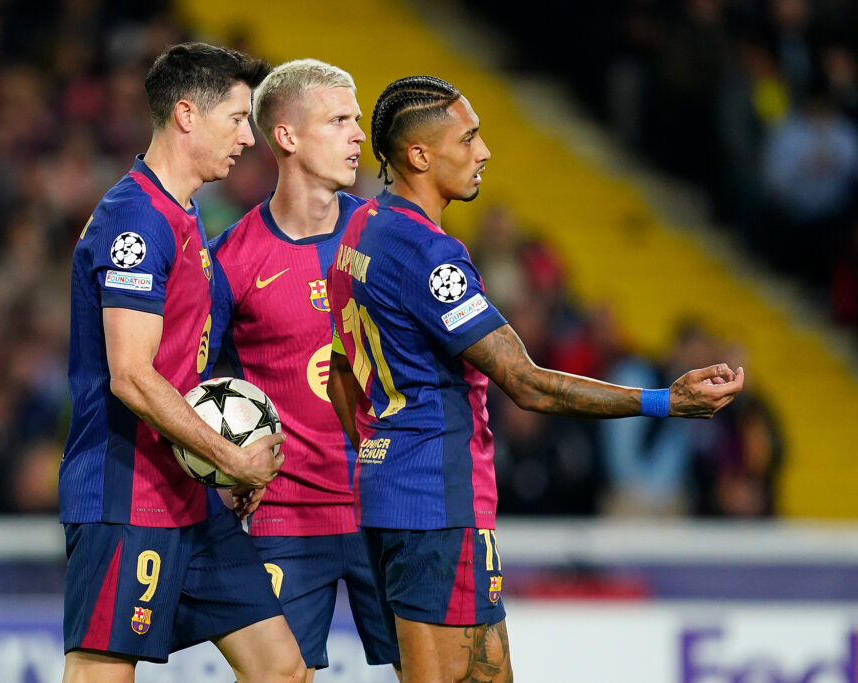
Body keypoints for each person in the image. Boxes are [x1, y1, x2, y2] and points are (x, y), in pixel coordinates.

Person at [325, 75, 745, 683]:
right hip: (436, 505)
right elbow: (527, 383)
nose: (484, 151)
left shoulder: (357, 233)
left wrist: (374, 453)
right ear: (419, 155)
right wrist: (664, 401)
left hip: (400, 494)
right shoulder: (428, 254)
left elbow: (340, 370)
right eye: (468, 138)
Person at [58, 42, 306, 683]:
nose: (249, 139)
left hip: (189, 493)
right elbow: (132, 375)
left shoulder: (186, 215)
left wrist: (216, 464)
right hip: (126, 493)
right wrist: (230, 456)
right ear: (187, 115)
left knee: (283, 670)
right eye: (237, 118)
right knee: (102, 673)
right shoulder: (135, 222)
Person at [206, 59, 401, 681]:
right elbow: (191, 381)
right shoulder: (230, 261)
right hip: (284, 514)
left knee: (438, 675)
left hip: (392, 507)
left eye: (356, 119)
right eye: (339, 120)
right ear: (285, 137)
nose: (358, 135)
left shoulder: (394, 239)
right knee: (279, 676)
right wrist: (219, 465)